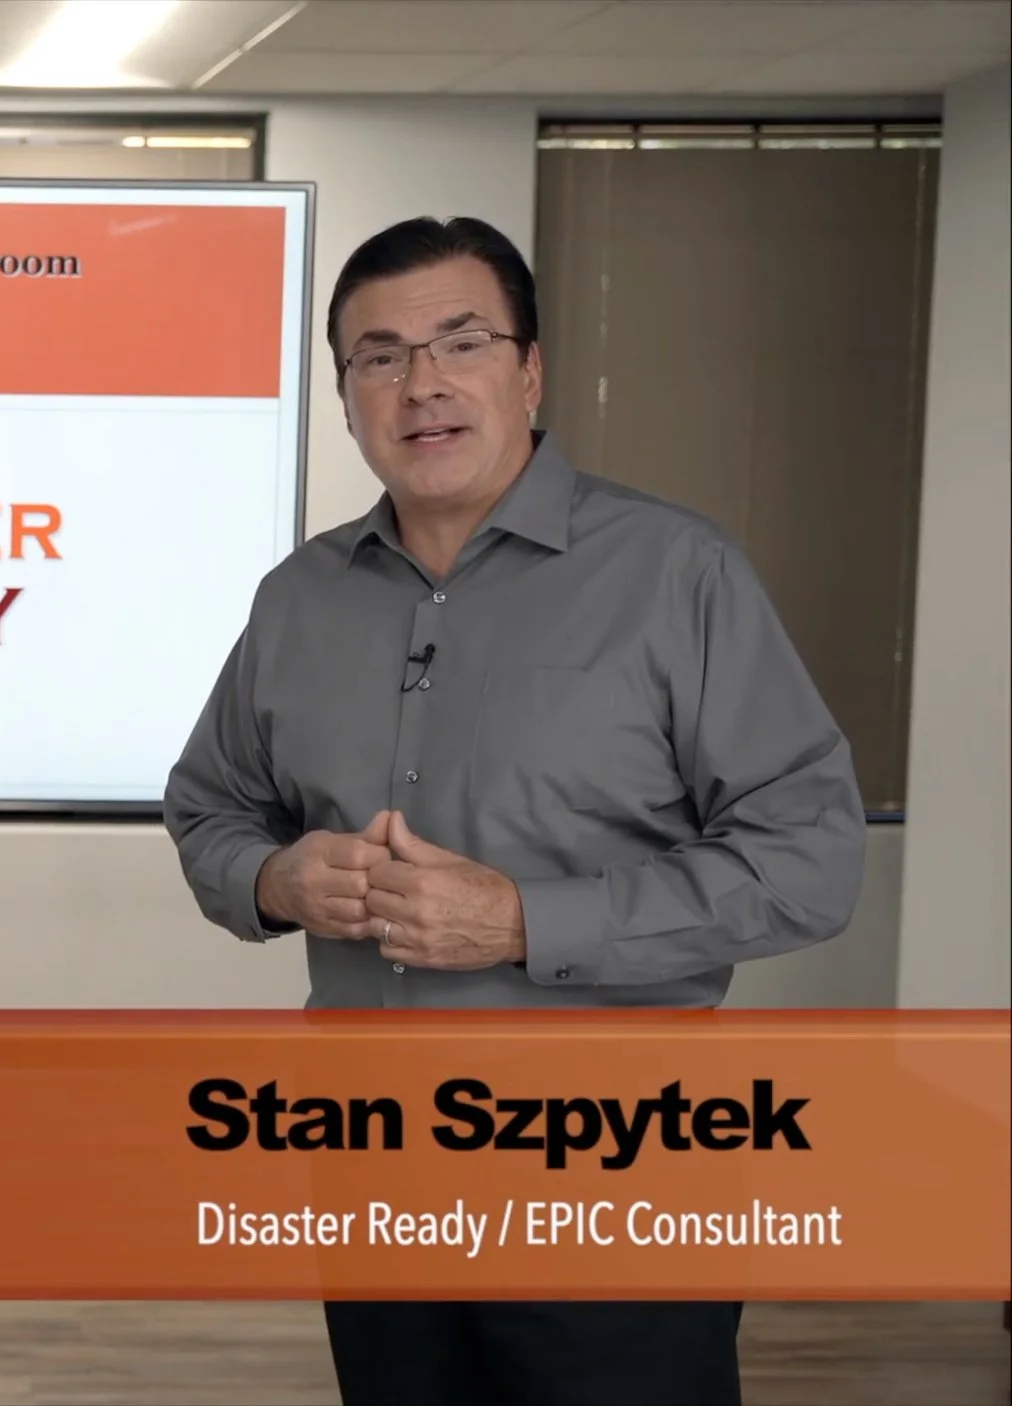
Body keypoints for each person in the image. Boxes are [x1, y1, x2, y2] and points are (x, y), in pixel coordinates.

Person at [162, 216, 864, 1404]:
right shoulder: (297, 599)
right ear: (345, 399)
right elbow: (209, 807)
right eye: (376, 355)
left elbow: (809, 858)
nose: (419, 382)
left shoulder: (675, 573)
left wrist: (525, 921)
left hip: (615, 1183)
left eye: (459, 341)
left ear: (528, 371)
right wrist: (277, 879)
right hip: (375, 1175)